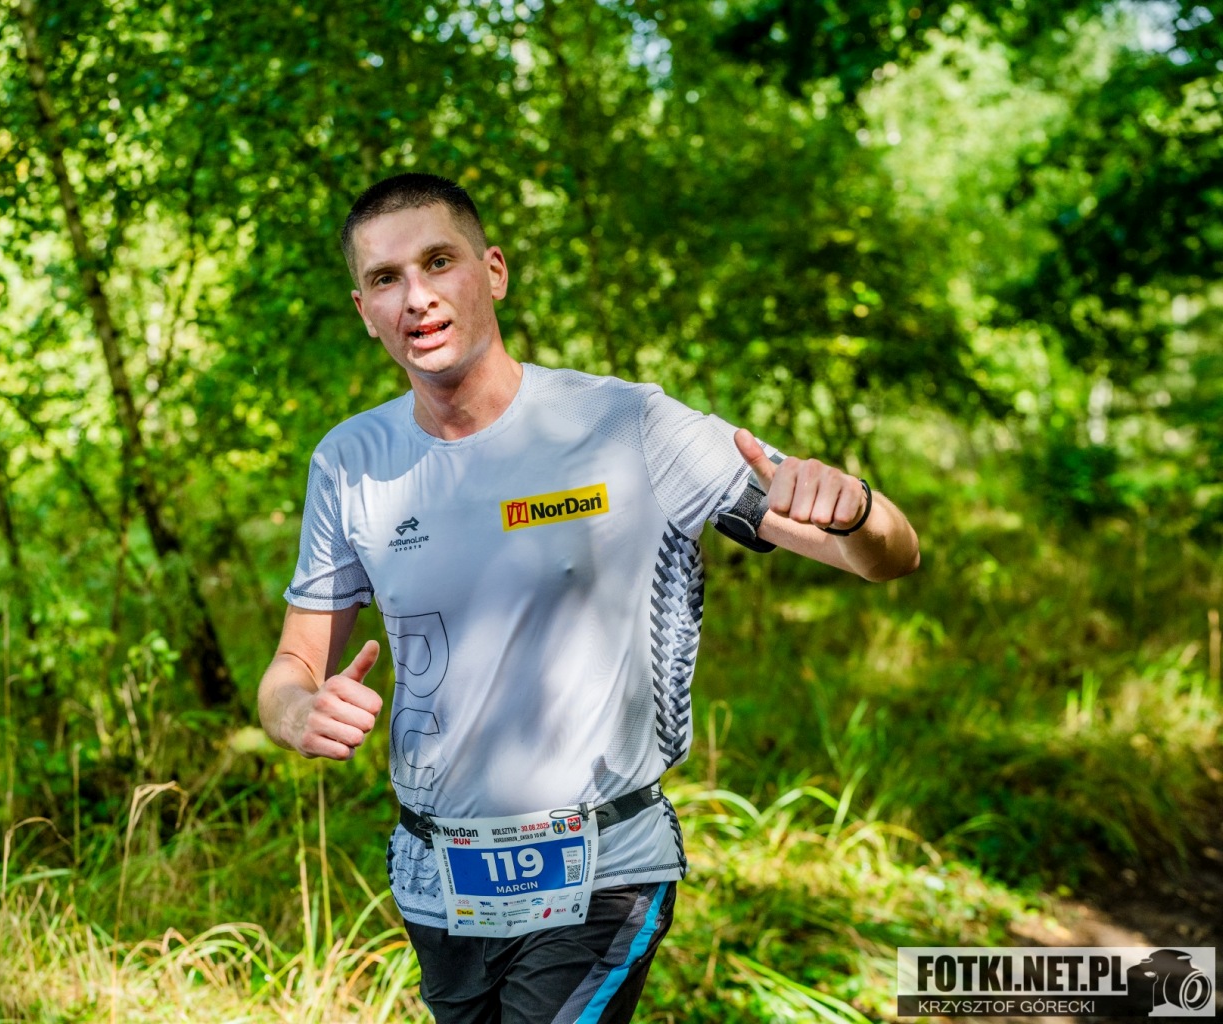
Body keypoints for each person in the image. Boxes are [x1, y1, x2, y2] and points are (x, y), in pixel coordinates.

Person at [257, 173, 920, 1024]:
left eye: (439, 262)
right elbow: (291, 668)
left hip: (603, 871)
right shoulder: (350, 461)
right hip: (438, 884)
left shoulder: (626, 424)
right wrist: (298, 713)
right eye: (387, 278)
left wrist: (855, 508)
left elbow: (886, 558)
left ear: (493, 271)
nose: (416, 297)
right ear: (364, 308)